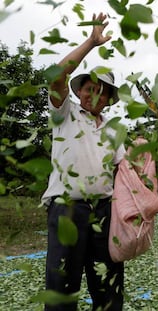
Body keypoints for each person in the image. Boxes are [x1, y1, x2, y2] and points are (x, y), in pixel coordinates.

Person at [41, 13, 126, 311]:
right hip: (67, 209)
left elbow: (123, 170)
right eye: (89, 88)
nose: (94, 94)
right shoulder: (64, 113)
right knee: (62, 288)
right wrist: (91, 42)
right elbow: (56, 75)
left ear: (108, 99)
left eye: (101, 91)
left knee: (108, 288)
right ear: (79, 91)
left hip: (103, 212)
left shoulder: (113, 129)